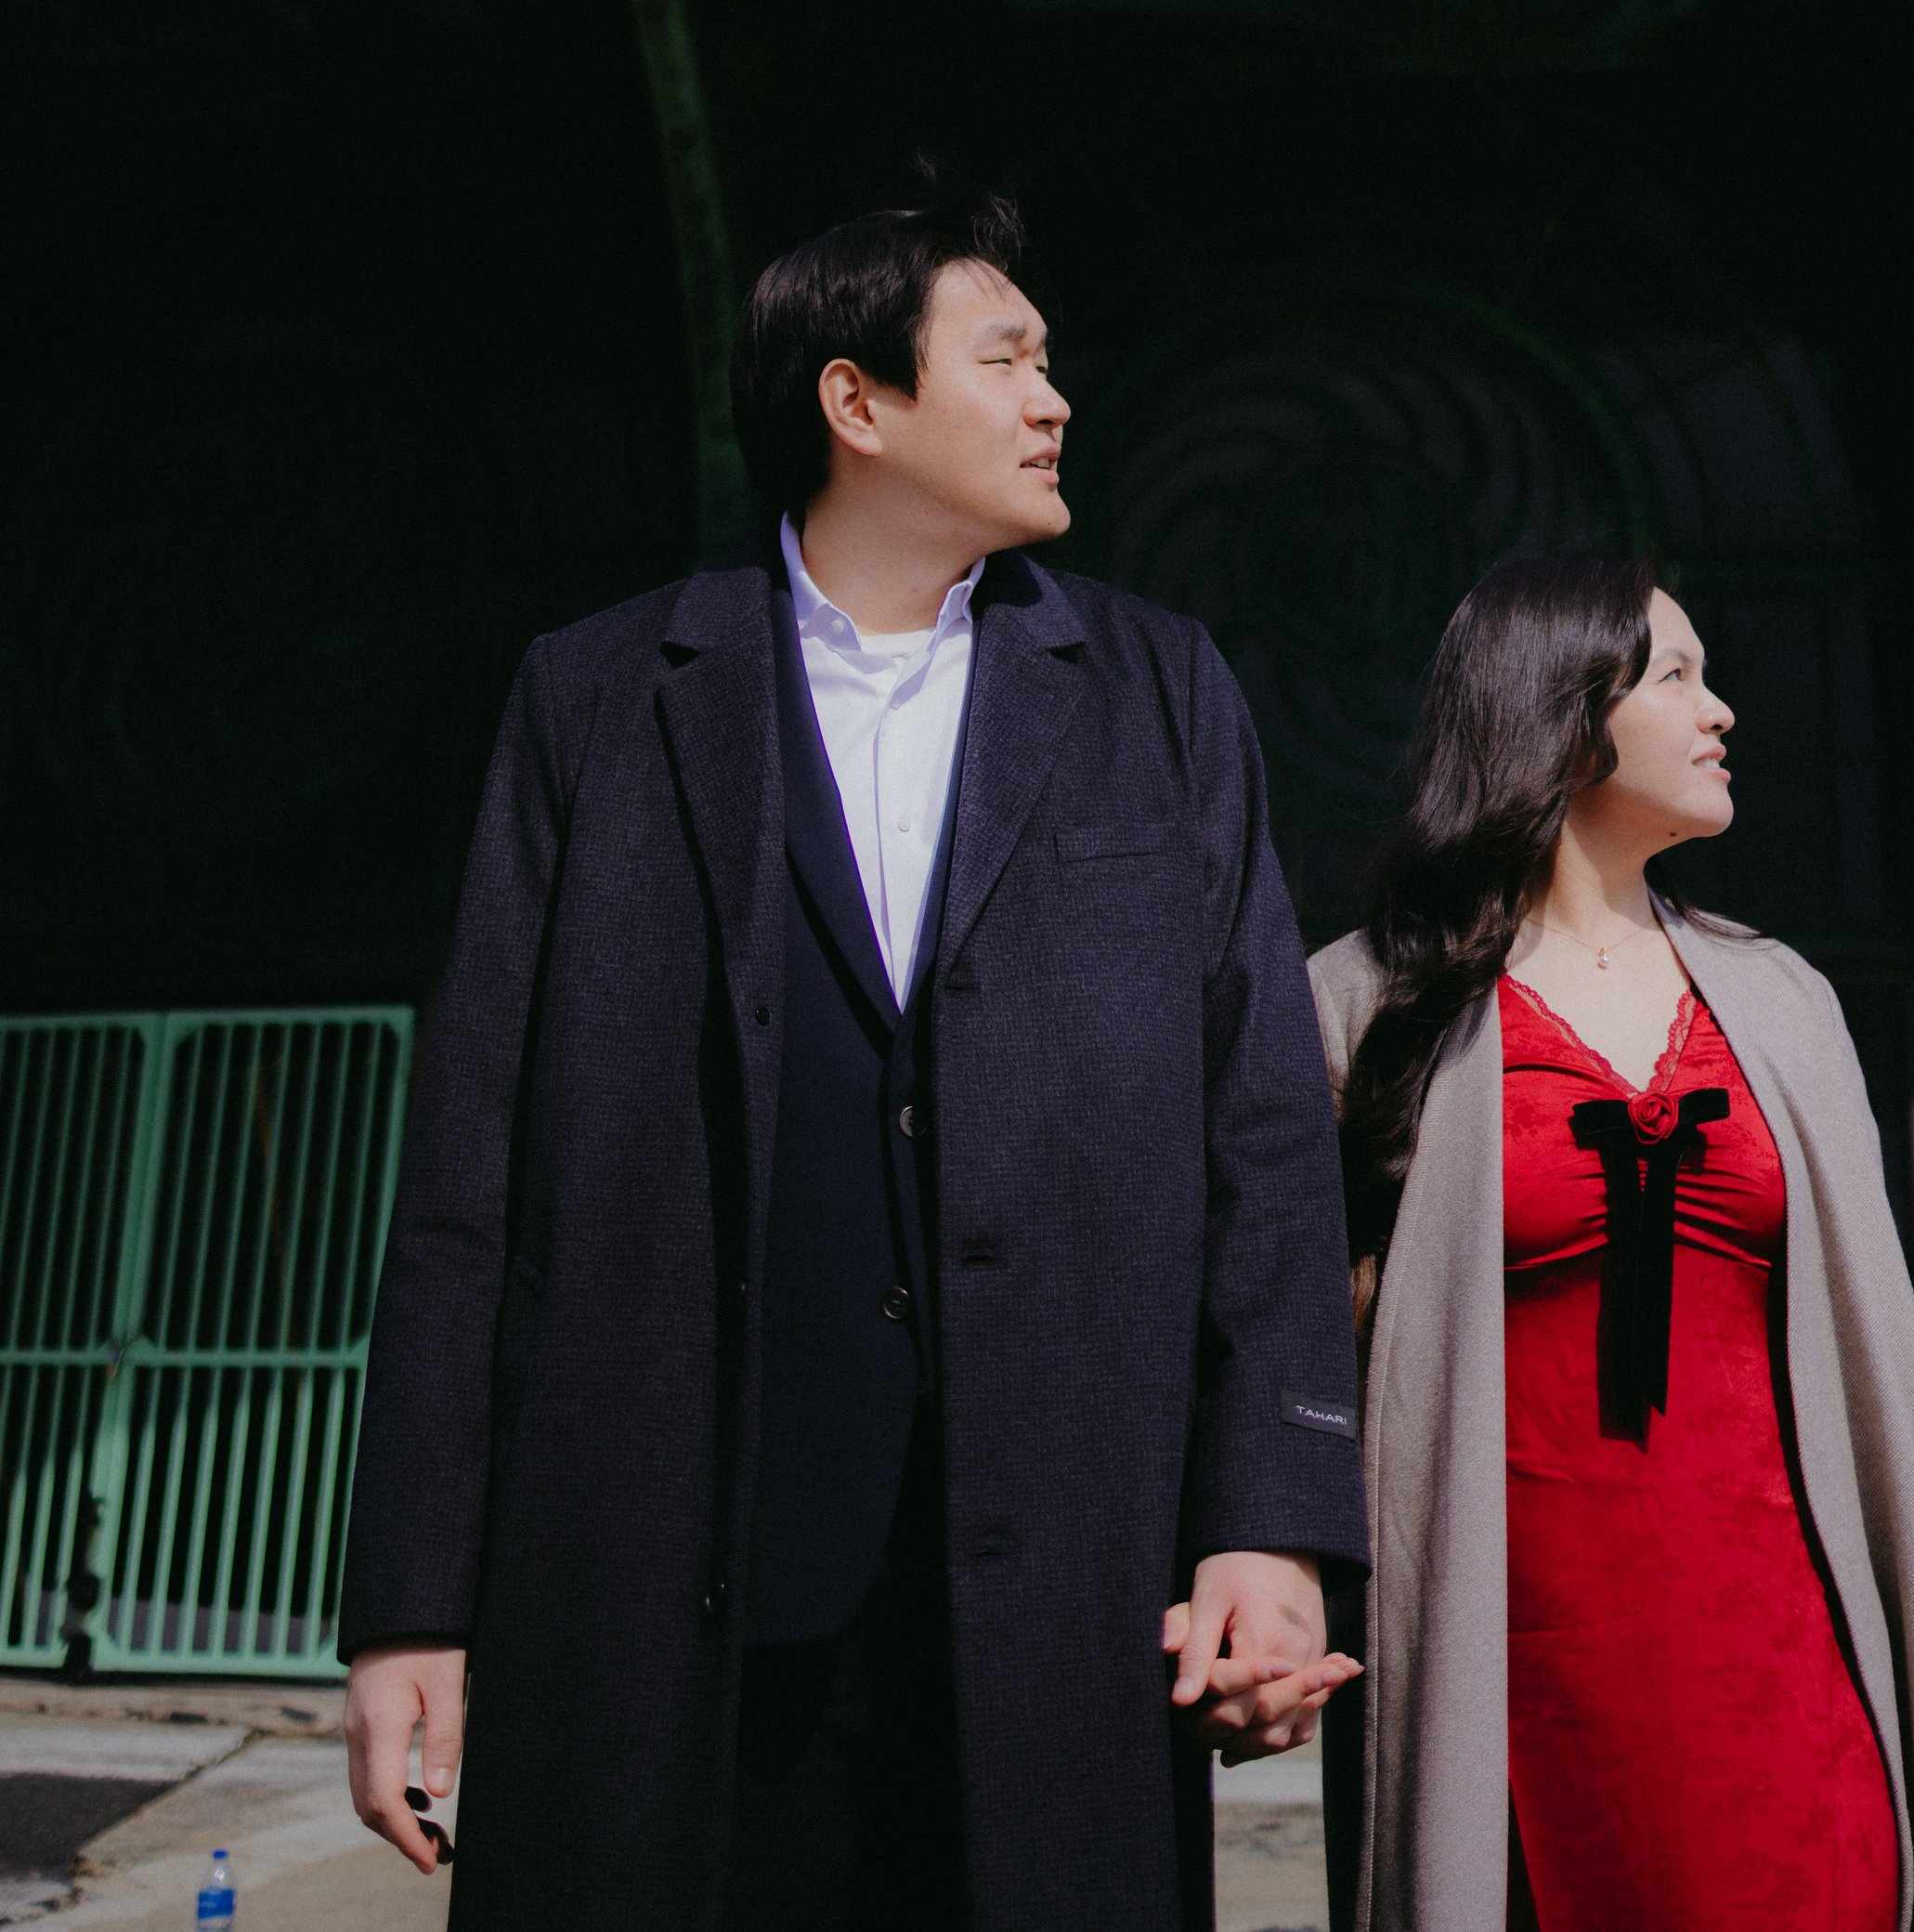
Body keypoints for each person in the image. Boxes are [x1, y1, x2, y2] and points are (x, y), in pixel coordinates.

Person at [338, 185, 1367, 1932]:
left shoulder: (1159, 691)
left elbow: (1264, 1144)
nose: (1058, 400)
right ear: (856, 402)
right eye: (1008, 357)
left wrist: (1267, 1525)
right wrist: (408, 1606)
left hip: (1058, 1600)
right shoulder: (596, 701)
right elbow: (467, 1181)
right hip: (663, 1593)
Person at [1309, 553, 1914, 1932]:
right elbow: (1280, 1340)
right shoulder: (1367, 1007)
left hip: (1791, 1661)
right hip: (1520, 1673)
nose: (1723, 712)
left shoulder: (1782, 1000)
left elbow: (1880, 1375)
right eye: (1678, 677)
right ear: (1563, 711)